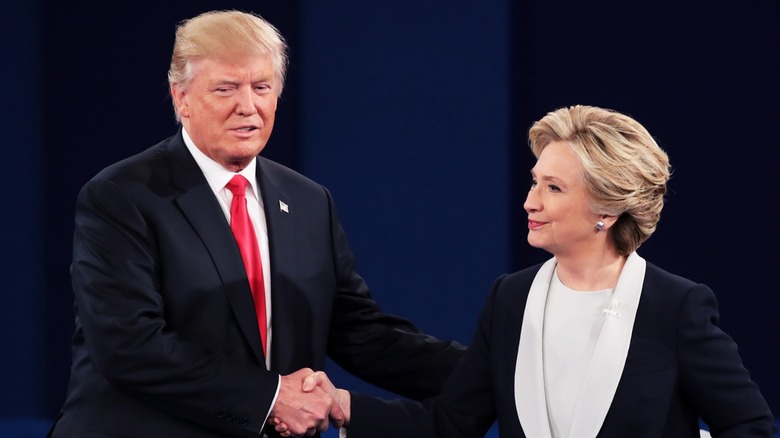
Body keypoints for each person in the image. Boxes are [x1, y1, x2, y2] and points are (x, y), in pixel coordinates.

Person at [48, 10, 464, 438]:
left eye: (261, 87)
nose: (247, 106)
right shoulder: (122, 195)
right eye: (225, 89)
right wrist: (269, 399)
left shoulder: (307, 201)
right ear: (181, 97)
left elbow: (358, 332)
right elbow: (128, 345)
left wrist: (497, 369)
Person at [295, 105, 777, 437]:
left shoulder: (674, 306)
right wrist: (342, 404)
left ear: (605, 208)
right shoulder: (511, 297)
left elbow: (749, 425)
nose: (531, 201)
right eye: (534, 182)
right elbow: (449, 424)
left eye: (554, 188)